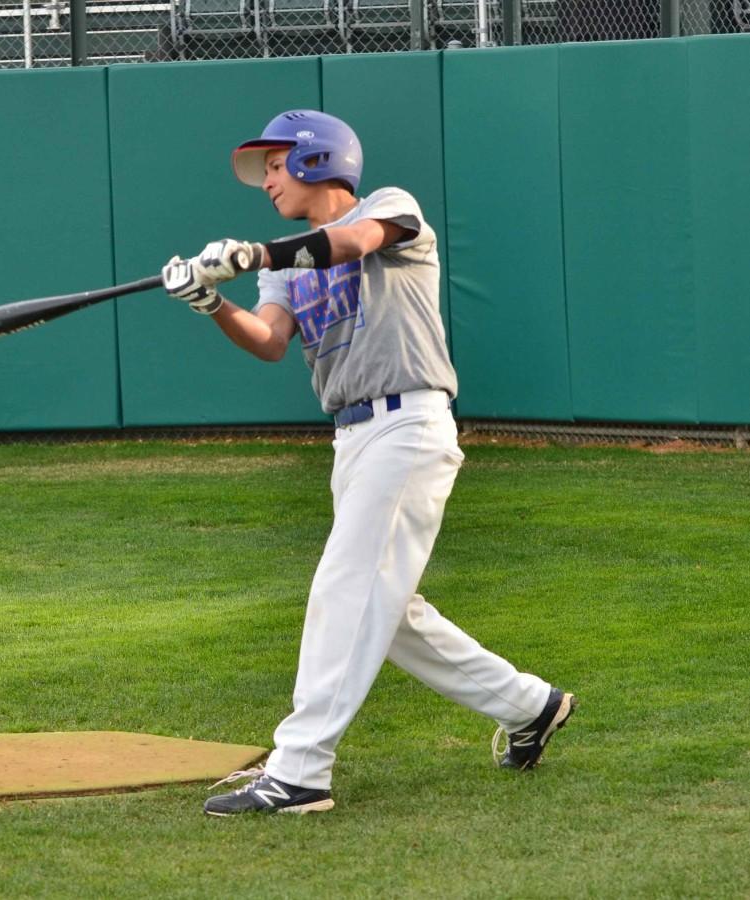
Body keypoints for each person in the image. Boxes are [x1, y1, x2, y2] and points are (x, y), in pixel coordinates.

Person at [161, 110, 576, 817]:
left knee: (346, 589)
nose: (264, 179)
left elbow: (352, 242)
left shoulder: (390, 206)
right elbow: (268, 339)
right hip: (350, 439)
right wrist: (211, 303)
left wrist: (258, 253)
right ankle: (529, 705)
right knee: (392, 612)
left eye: (274, 163)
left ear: (318, 159)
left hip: (407, 425)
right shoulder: (288, 265)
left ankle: (299, 772)